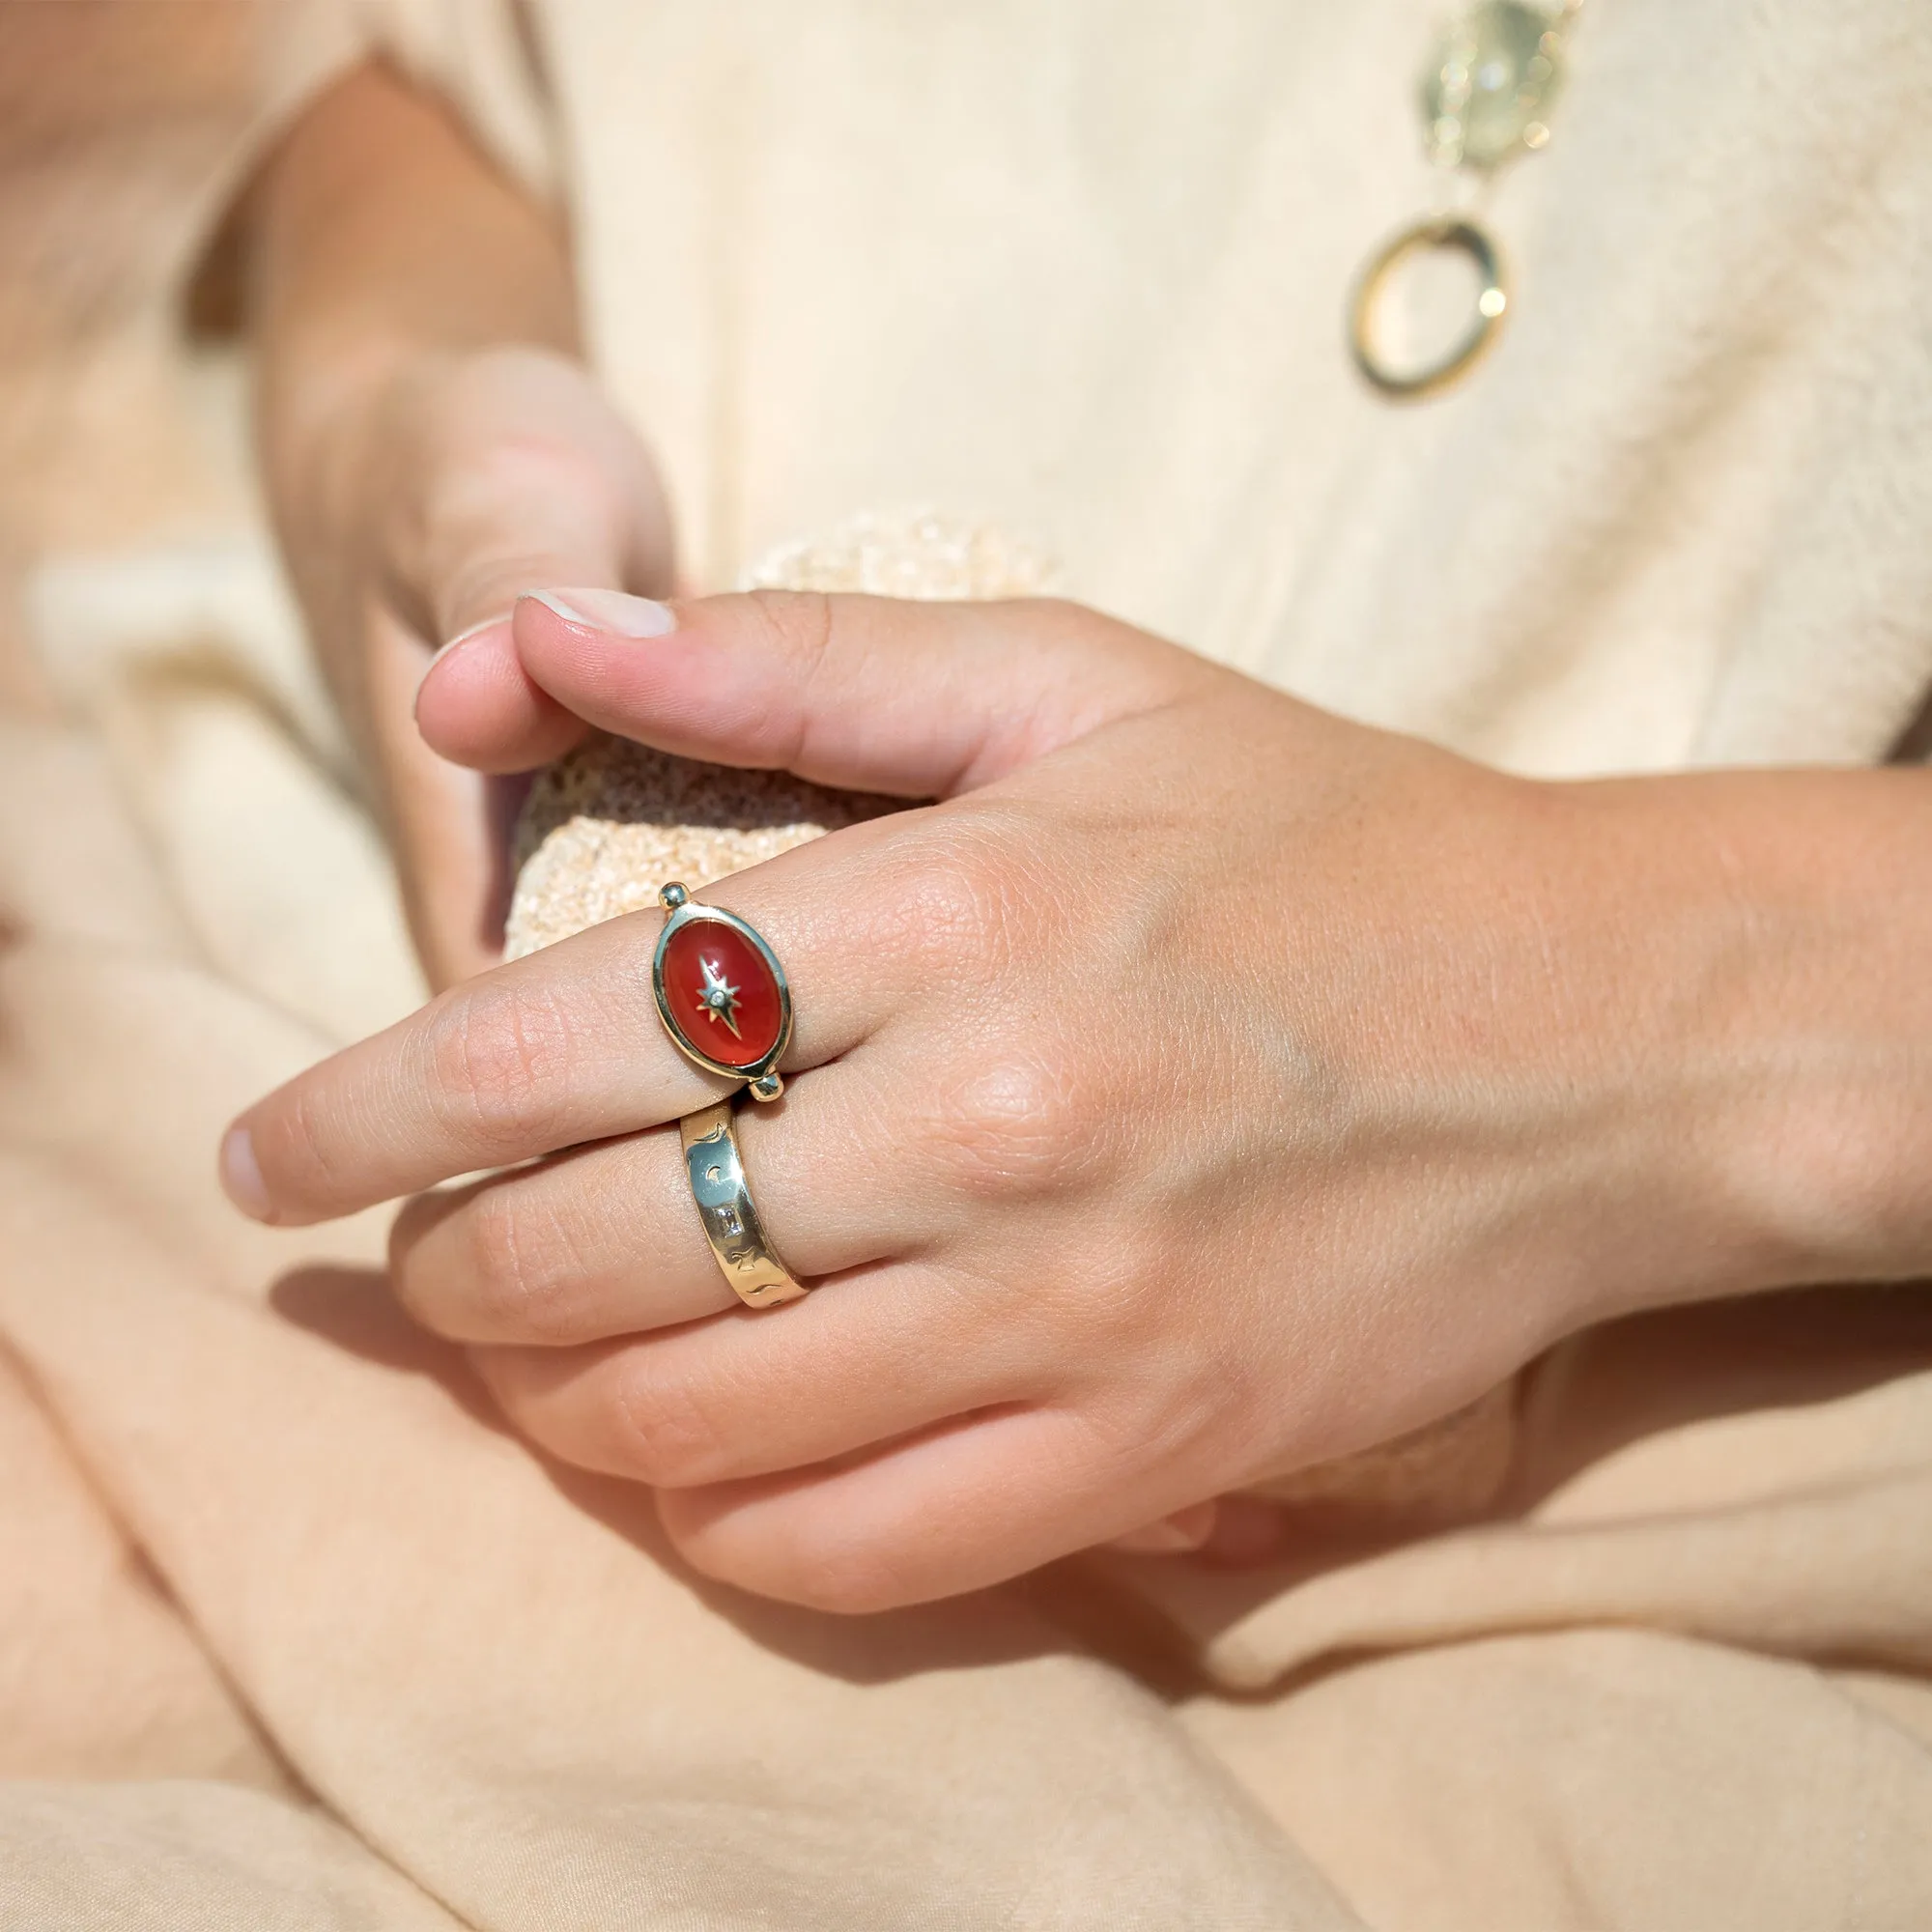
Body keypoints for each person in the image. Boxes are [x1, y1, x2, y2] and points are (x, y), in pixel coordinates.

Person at [4, 4, 1929, 1923]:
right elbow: (419, 104)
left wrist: (1614, 1001)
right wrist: (406, 419)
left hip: (1566, 1611)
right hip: (221, 966)